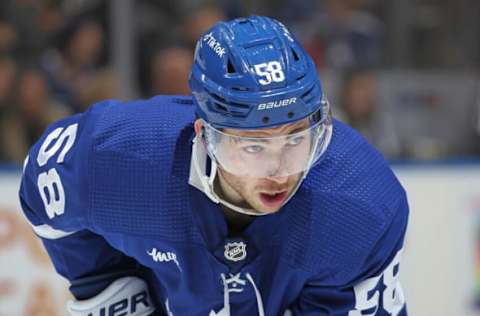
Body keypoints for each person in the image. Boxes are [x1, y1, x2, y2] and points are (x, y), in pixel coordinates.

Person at [19, 16, 409, 316]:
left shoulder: (361, 201)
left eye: (294, 139)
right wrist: (104, 287)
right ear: (206, 133)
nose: (279, 171)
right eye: (253, 147)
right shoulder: (120, 155)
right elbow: (41, 182)